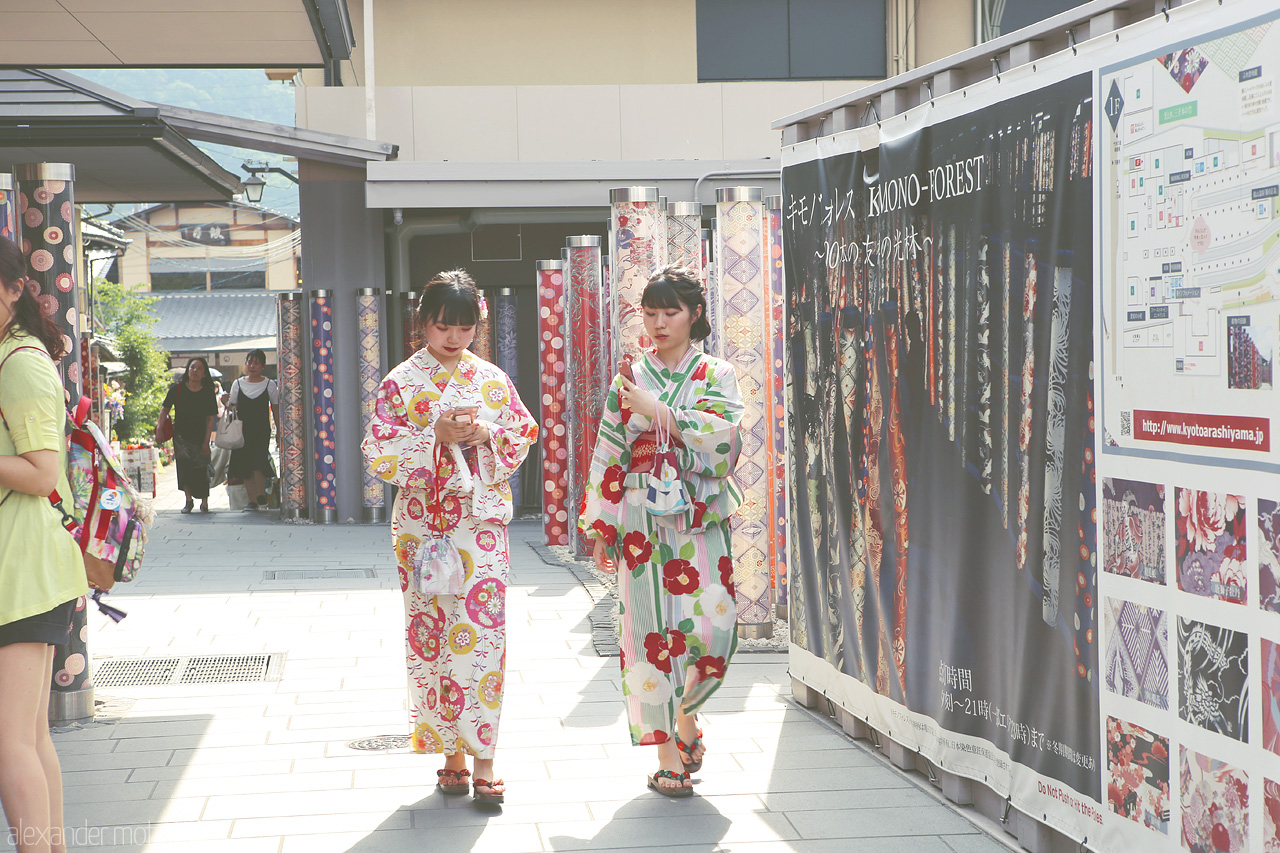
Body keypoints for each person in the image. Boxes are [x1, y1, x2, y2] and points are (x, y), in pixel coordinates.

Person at [362, 269, 537, 806]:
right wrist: (430, 436)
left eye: (464, 326)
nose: (454, 338)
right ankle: (451, 760)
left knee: (484, 637)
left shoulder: (491, 379)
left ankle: (486, 761)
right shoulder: (400, 382)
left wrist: (486, 433)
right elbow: (377, 448)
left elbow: (522, 430)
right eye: (442, 326)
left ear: (477, 325)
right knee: (433, 635)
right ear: (423, 323)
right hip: (425, 527)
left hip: (479, 526)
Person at [580, 265, 744, 798]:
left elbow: (724, 447)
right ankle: (670, 757)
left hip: (699, 513)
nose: (658, 323)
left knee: (712, 627)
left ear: (695, 314)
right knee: (649, 632)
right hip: (639, 518)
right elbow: (610, 447)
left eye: (670, 312)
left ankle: (688, 716)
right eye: (650, 313)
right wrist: (601, 525)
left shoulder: (716, 373)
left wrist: (661, 413)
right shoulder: (631, 374)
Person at [0, 235, 88, 853]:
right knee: (28, 733)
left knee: (10, 738)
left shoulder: (20, 361)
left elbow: (40, 471)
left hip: (23, 568)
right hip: (26, 566)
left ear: (10, 290)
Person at [157, 357, 217, 513]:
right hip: (181, 436)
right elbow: (165, 410)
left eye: (199, 368)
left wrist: (206, 442)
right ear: (187, 370)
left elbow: (210, 419)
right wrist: (159, 428)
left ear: (204, 373)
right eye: (192, 367)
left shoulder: (208, 392)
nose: (195, 371)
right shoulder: (177, 389)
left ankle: (204, 502)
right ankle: (188, 500)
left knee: (201, 468)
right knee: (184, 468)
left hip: (200, 435)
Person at [226, 349, 279, 510]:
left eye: (256, 363)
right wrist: (225, 402)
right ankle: (253, 500)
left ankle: (261, 493)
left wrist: (279, 431)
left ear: (262, 365)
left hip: (261, 429)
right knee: (245, 464)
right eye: (249, 362)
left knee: (259, 461)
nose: (252, 366)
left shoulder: (269, 384)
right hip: (242, 429)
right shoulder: (238, 383)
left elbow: (276, 408)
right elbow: (231, 406)